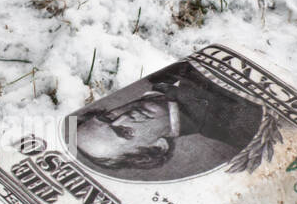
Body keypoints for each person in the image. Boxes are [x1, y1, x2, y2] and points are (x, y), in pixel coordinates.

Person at [70, 61, 264, 174]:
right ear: (157, 147)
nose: (123, 117)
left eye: (107, 117)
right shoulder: (239, 126)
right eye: (125, 132)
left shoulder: (147, 67)